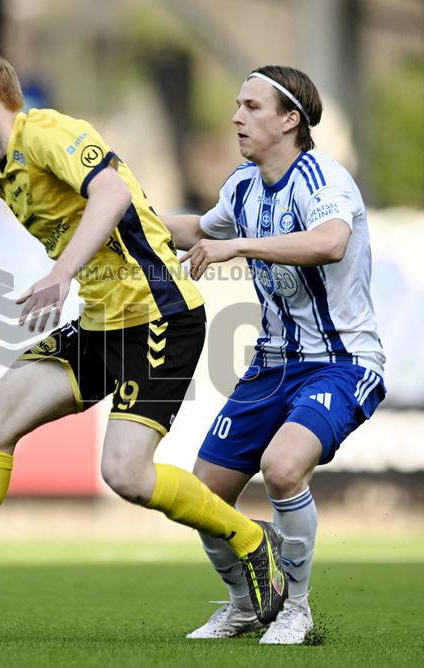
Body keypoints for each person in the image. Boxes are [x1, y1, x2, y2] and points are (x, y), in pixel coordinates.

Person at [0, 36, 288, 631]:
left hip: (159, 318)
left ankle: (252, 540)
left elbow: (113, 192)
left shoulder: (47, 132)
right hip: (101, 323)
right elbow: (131, 216)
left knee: (126, 475)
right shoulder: (4, 175)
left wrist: (59, 273)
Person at [161, 65, 386, 645]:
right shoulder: (241, 185)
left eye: (252, 107)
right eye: (237, 105)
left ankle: (298, 611)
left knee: (283, 468)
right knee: (202, 495)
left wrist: (236, 243)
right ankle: (245, 604)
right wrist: (122, 214)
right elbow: (194, 231)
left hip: (342, 362)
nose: (237, 116)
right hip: (269, 365)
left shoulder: (325, 179)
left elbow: (330, 242)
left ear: (291, 119)